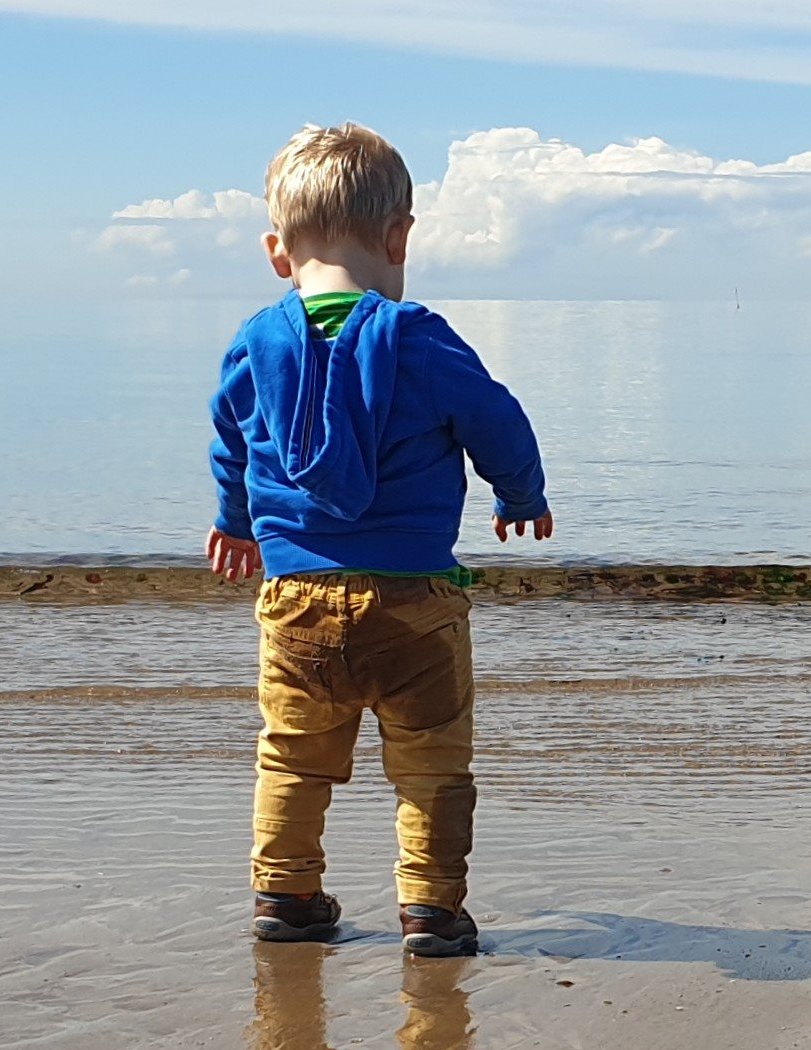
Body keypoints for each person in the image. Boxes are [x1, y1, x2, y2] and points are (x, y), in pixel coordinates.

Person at [205, 122, 552, 957]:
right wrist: (520, 493)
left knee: (293, 757)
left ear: (277, 253)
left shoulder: (255, 345)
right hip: (415, 605)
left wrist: (237, 523)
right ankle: (430, 911)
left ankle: (286, 898)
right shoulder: (419, 339)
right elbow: (495, 417)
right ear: (399, 237)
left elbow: (232, 438)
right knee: (431, 766)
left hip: (295, 604)